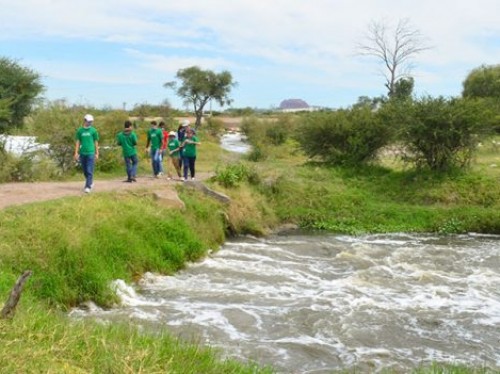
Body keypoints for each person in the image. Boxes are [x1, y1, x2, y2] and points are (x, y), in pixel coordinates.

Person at [74, 114, 99, 193]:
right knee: (85, 170)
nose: (90, 123)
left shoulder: (93, 131)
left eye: (91, 122)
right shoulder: (80, 131)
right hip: (82, 153)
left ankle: (87, 187)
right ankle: (90, 182)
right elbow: (77, 142)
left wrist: (97, 153)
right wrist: (76, 153)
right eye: (88, 121)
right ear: (84, 121)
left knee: (89, 170)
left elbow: (96, 142)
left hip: (91, 153)